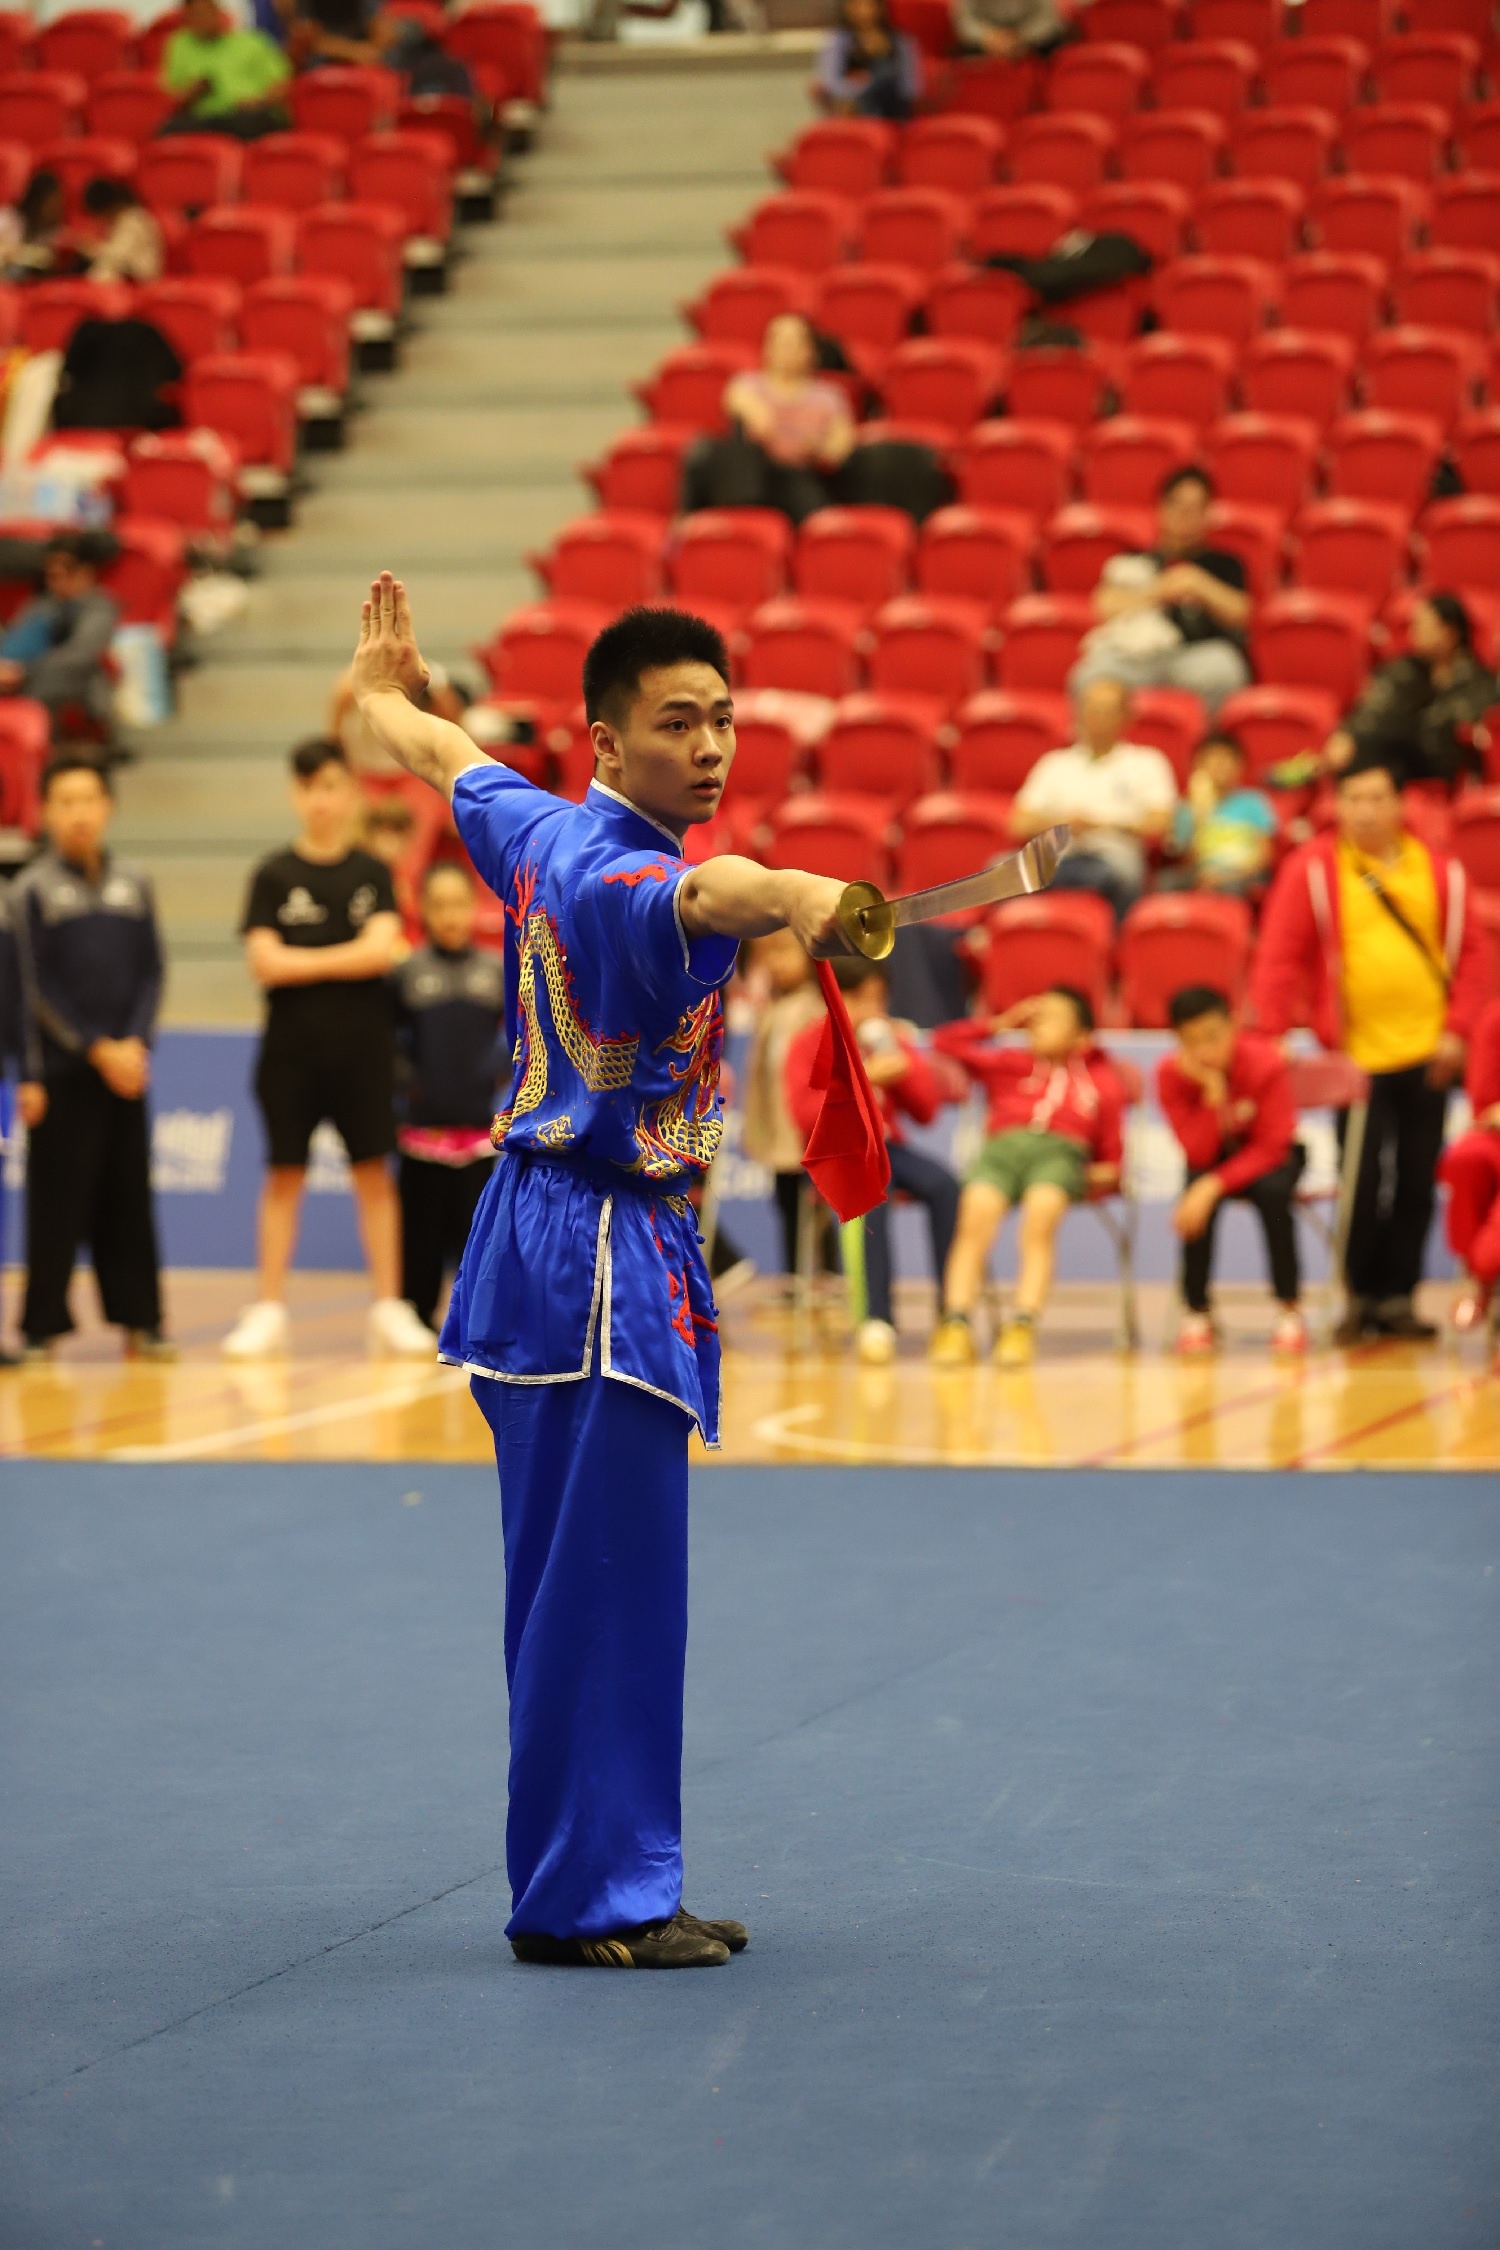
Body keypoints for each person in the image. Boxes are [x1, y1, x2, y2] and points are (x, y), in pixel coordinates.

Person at [349, 577, 851, 1968]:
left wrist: (386, 690)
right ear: (607, 744)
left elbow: (446, 754)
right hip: (593, 1255)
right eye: (677, 723)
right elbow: (714, 889)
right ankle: (586, 1895)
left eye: (725, 720)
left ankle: (625, 1867)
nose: (710, 746)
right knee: (597, 1584)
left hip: (572, 1236)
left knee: (613, 1581)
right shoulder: (622, 877)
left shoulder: (536, 826)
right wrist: (801, 891)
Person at [1251, 753, 1488, 1343]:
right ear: (1338, 805)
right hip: (1355, 1060)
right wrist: (1273, 1033)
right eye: (1353, 799)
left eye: (1378, 798)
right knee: (1360, 1180)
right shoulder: (1314, 869)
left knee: (1415, 1180)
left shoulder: (1438, 871)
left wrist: (1458, 1030)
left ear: (1401, 803)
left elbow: (1475, 959)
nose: (1366, 811)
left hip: (1429, 1053)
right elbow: (1280, 954)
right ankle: (1358, 1297)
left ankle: (1400, 1298)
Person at [225, 737, 434, 1361]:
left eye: (334, 787)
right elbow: (263, 963)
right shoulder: (273, 874)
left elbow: (382, 949)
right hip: (289, 1053)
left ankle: (389, 1306)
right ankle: (267, 1308)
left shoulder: (372, 874)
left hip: (363, 1054)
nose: (324, 799)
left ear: (351, 794)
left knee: (373, 1174)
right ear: (298, 795)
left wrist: (301, 956)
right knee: (282, 1174)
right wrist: (344, 956)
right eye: (312, 788)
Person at [10, 757, 173, 1362]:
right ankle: (39, 1329)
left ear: (107, 807)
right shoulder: (30, 889)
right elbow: (32, 988)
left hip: (125, 1070)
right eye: (65, 802)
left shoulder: (135, 882)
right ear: (47, 812)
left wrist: (133, 1044)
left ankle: (145, 1322)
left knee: (129, 1198)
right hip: (62, 1074)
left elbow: (152, 973)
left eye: (89, 800)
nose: (79, 813)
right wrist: (93, 1048)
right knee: (56, 1201)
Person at [928, 986, 1124, 1366]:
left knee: (1040, 1215)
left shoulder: (1103, 1081)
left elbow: (1114, 1160)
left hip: (1060, 1157)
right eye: (1034, 1017)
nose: (1037, 1025)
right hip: (1001, 1153)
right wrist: (999, 1023)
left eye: (1052, 1018)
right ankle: (956, 1323)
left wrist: (1093, 1176)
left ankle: (1020, 1326)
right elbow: (944, 1043)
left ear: (1081, 1036)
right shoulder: (1009, 1063)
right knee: (973, 1218)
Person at [784, 953, 961, 1364]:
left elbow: (926, 1110)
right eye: (862, 998)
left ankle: (953, 1311)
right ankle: (876, 1321)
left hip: (885, 1145)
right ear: (835, 998)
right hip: (837, 1153)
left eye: (879, 998)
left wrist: (906, 1063)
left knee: (947, 1186)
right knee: (871, 1195)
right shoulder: (809, 1042)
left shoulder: (885, 1038)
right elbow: (804, 1115)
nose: (873, 1009)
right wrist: (864, 1078)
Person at [1158, 985, 1306, 1356]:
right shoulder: (1171, 1076)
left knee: (1273, 1192)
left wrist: (1212, 1185)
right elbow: (1197, 1152)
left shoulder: (1265, 1062)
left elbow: (1273, 1146)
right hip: (1213, 1158)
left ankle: (1288, 1308)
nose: (1205, 1051)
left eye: (1213, 1037)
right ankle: (1196, 1311)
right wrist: (1212, 1094)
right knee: (1194, 1189)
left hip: (1273, 1156)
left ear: (1233, 1026)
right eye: (1191, 1042)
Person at [392, 863, 507, 1337]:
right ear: (424, 910)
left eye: (458, 904)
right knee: (419, 1236)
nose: (449, 915)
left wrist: (497, 1077)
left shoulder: (495, 973)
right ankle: (417, 1315)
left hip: (478, 1138)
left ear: (473, 908)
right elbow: (389, 1043)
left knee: (476, 1239)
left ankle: (476, 1324)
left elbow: (520, 1040)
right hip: (422, 1137)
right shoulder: (406, 974)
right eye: (438, 905)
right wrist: (408, 1087)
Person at [1070, 467, 1252, 716]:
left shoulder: (1225, 563)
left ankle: (1206, 749)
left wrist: (1199, 584)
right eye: (1179, 506)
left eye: (1196, 509)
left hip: (1196, 657)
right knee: (1088, 675)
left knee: (1224, 668)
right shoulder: (1134, 560)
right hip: (1139, 658)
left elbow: (1243, 613)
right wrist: (1159, 590)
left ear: (1208, 513)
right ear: (1161, 508)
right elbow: (1105, 606)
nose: (1185, 516)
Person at [1011, 676, 1178, 922]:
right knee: (1000, 870)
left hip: (1112, 857)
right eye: (1090, 709)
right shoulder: (1054, 764)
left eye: (1105, 711)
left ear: (1126, 716)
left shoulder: (1147, 763)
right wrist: (1063, 823)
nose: (1096, 718)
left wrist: (1100, 824)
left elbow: (1160, 823)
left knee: (1125, 874)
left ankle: (1114, 948)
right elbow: (1018, 823)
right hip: (1057, 856)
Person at [682, 313, 856, 527]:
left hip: (800, 477)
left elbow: (839, 449)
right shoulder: (746, 385)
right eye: (778, 342)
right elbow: (756, 419)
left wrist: (817, 448)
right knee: (705, 450)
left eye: (793, 343)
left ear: (811, 350)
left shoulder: (830, 396)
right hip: (754, 477)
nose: (785, 350)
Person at [1324, 593, 1497, 794]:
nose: (1414, 633)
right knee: (1364, 746)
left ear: (1449, 633)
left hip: (1440, 760)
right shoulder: (1405, 670)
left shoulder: (1478, 681)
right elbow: (1375, 707)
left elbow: (1455, 727)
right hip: (1395, 756)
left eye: (1422, 626)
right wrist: (1348, 734)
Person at [738, 926, 826, 1274]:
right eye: (768, 955)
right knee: (786, 1202)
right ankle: (795, 1276)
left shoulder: (812, 1009)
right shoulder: (772, 1010)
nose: (775, 964)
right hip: (778, 1127)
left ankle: (824, 1272)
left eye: (784, 954)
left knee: (813, 1205)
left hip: (804, 1127)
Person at [0, 533, 120, 733]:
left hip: (63, 683)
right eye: (51, 576)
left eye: (62, 575)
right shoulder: (42, 605)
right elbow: (15, 639)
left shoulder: (100, 608)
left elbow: (80, 656)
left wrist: (23, 672)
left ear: (84, 573)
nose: (55, 583)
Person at [1437, 999, 1500, 1350]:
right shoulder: (1494, 1017)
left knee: (1492, 1251)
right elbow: (1486, 1102)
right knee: (1464, 1157)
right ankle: (1474, 1277)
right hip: (1495, 1136)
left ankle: (1480, 1275)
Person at [1161, 730, 1277, 896]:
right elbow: (1185, 861)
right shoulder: (1186, 808)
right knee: (1166, 882)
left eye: (1227, 759)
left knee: (1232, 888)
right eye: (1213, 759)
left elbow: (1264, 856)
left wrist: (1227, 876)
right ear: (1197, 765)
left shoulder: (1253, 802)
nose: (1220, 765)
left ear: (1240, 765)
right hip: (1200, 872)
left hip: (1241, 875)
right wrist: (1197, 816)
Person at [159, 0, 292, 139]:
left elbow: (283, 85)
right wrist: (192, 91)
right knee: (170, 130)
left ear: (219, 12)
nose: (203, 19)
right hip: (204, 118)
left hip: (249, 114)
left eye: (207, 12)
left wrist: (259, 102)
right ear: (187, 19)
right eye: (196, 14)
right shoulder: (179, 45)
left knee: (251, 123)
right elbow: (170, 98)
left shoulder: (254, 42)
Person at [815, 0, 922, 119]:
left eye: (869, 5)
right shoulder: (838, 41)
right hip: (854, 104)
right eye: (856, 5)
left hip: (893, 104)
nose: (863, 12)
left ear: (880, 8)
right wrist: (859, 85)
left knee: (885, 72)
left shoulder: (900, 41)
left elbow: (910, 88)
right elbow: (831, 83)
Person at [78, 177, 165, 285]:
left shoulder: (135, 221)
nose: (100, 220)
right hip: (126, 281)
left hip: (139, 285)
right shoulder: (121, 221)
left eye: (100, 215)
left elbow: (119, 258)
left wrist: (91, 247)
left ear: (109, 207)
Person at [0, 171, 66, 282]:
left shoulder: (49, 232)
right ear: (37, 202)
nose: (57, 211)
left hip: (22, 288)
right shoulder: (7, 219)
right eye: (52, 205)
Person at [951, 0, 1069, 56]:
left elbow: (1048, 19)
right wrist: (989, 37)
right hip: (985, 43)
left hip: (1032, 43)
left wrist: (1022, 37)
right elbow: (964, 21)